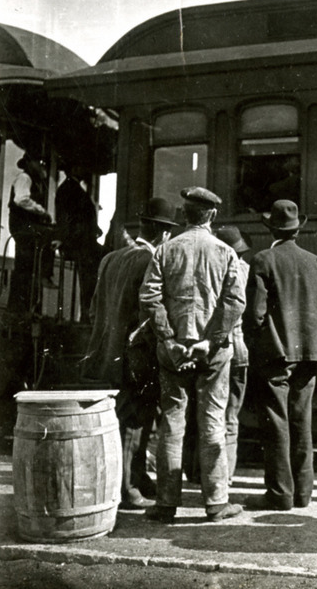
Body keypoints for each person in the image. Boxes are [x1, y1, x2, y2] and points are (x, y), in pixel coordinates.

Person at [140, 186, 245, 524]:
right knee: (213, 421)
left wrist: (170, 339)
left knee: (172, 422)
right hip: (213, 353)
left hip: (173, 351)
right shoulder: (226, 253)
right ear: (212, 216)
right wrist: (212, 341)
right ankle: (216, 503)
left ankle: (166, 503)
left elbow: (150, 298)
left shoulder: (165, 250)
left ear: (184, 215)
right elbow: (235, 302)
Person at [83, 197, 178, 510]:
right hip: (137, 355)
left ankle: (137, 476)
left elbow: (94, 308)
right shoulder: (151, 261)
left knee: (128, 417)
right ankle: (128, 488)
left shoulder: (110, 258)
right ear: (163, 234)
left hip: (110, 352)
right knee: (136, 420)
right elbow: (146, 315)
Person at [244, 200, 317, 510]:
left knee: (276, 423)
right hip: (310, 353)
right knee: (302, 420)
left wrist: (258, 340)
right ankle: (303, 494)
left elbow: (255, 315)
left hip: (276, 353)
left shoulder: (263, 260)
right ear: (297, 229)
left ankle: (280, 493)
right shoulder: (316, 262)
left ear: (271, 229)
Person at [215, 225, 253, 484]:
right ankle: (225, 476)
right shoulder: (247, 270)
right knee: (230, 416)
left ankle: (200, 472)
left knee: (207, 413)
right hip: (240, 349)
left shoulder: (213, 271)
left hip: (214, 348)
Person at [53, 161, 105, 318]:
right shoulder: (69, 189)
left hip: (83, 239)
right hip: (79, 242)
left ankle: (89, 313)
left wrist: (94, 229)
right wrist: (65, 238)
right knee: (89, 277)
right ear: (74, 168)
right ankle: (88, 314)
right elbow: (66, 218)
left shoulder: (72, 188)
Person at [7, 154, 55, 313]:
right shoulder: (24, 178)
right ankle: (45, 274)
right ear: (28, 163)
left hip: (25, 226)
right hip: (21, 225)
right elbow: (21, 200)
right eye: (38, 162)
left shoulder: (33, 181)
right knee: (49, 234)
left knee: (25, 267)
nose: (41, 166)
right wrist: (41, 211)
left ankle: (23, 308)